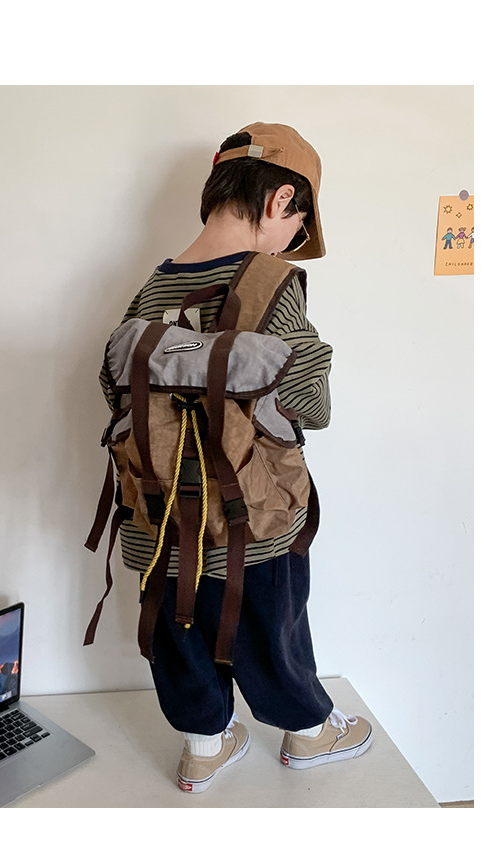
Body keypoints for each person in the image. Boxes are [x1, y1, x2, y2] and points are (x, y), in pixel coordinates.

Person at [99, 122, 372, 793]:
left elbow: (116, 394)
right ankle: (310, 733)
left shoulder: (151, 289)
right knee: (271, 630)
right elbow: (311, 404)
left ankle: (204, 746)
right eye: (298, 225)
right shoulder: (270, 282)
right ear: (281, 199)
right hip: (251, 522)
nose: (291, 242)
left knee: (178, 633)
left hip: (160, 521)